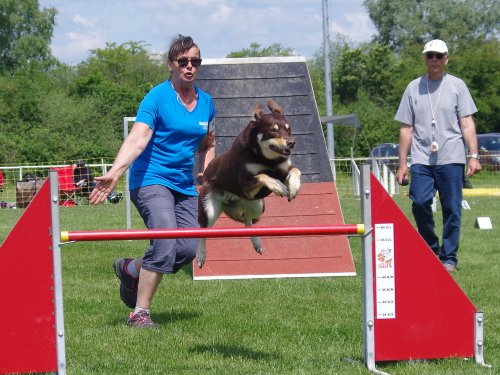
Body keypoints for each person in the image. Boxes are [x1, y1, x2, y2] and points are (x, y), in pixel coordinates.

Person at [89, 35, 216, 328]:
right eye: (183, 61)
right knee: (164, 241)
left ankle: (131, 268)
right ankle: (140, 313)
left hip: (183, 185)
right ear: (171, 64)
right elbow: (139, 137)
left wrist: (206, 172)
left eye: (195, 61)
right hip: (151, 179)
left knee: (186, 249)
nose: (189, 67)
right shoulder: (157, 97)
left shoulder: (206, 103)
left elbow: (209, 142)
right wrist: (115, 172)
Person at [395, 39, 482, 272]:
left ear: (446, 59)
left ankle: (449, 257)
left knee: (452, 207)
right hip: (422, 157)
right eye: (430, 55)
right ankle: (431, 247)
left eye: (438, 56)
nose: (434, 60)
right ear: (424, 58)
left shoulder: (457, 86)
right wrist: (402, 163)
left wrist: (473, 155)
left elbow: (467, 123)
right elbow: (406, 128)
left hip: (452, 156)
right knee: (420, 202)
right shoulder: (413, 87)